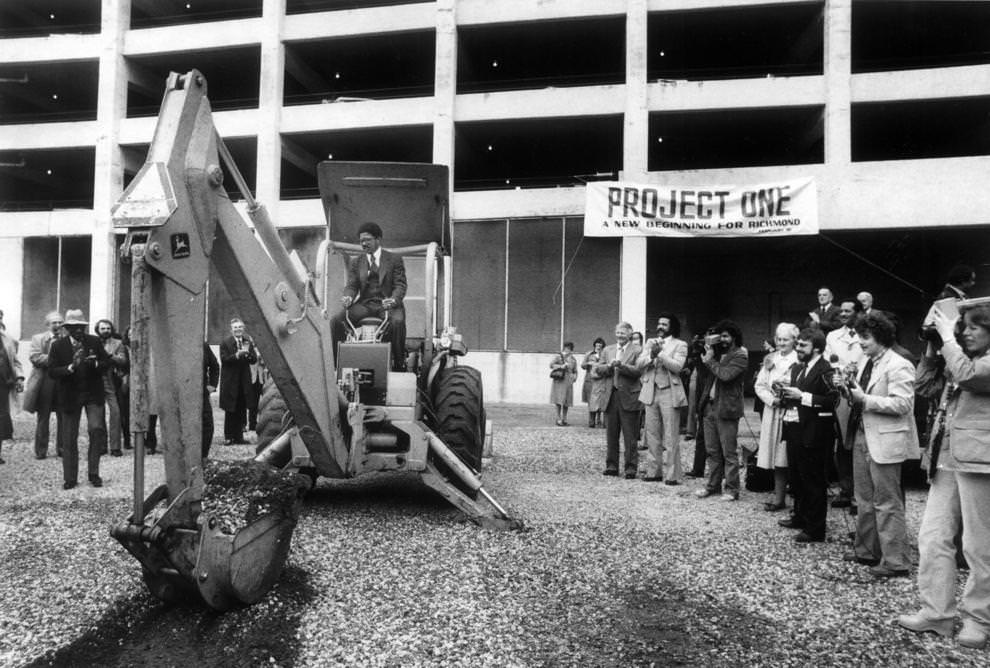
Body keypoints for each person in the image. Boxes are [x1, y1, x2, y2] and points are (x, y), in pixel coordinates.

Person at [898, 301, 990, 648]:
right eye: (962, 326)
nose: (965, 332)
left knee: (979, 545)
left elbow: (971, 377)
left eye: (974, 327)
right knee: (933, 536)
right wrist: (934, 345)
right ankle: (937, 613)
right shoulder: (959, 355)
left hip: (981, 458)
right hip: (948, 454)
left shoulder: (978, 363)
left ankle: (979, 619)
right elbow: (924, 386)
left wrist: (949, 339)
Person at [839, 311, 919, 578]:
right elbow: (860, 397)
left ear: (881, 337)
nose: (861, 342)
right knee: (863, 499)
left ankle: (896, 561)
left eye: (865, 337)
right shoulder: (867, 362)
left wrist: (864, 400)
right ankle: (867, 551)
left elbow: (903, 404)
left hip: (884, 440)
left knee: (886, 502)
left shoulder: (899, 364)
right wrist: (847, 388)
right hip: (863, 435)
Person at [777, 328, 840, 543]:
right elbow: (794, 395)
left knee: (813, 480)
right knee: (797, 477)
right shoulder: (797, 368)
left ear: (817, 348)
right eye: (799, 344)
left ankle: (815, 529)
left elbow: (833, 401)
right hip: (795, 429)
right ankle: (800, 516)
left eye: (803, 345)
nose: (798, 348)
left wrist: (802, 396)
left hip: (816, 434)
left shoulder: (826, 371)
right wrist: (783, 391)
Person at [332, 221, 408, 372]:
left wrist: (393, 300)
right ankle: (335, 364)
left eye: (367, 240)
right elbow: (352, 285)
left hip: (387, 304)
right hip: (365, 304)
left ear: (378, 239)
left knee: (397, 322)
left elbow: (400, 285)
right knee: (336, 321)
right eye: (361, 241)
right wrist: (348, 297)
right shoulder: (356, 262)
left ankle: (399, 364)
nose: (364, 243)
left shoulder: (394, 259)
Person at [48, 309, 110, 489]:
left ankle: (94, 473)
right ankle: (70, 478)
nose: (78, 330)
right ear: (67, 328)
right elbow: (52, 371)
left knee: (96, 429)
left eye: (81, 327)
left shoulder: (94, 341)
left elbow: (106, 364)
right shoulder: (58, 346)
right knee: (69, 437)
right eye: (74, 327)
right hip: (70, 396)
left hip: (92, 394)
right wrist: (69, 368)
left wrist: (96, 364)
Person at [695, 320, 748, 501]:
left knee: (729, 452)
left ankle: (732, 489)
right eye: (720, 336)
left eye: (726, 336)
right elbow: (705, 377)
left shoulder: (740, 355)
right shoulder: (716, 355)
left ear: (734, 337)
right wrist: (705, 356)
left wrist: (710, 361)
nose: (722, 340)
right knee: (712, 451)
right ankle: (713, 486)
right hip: (709, 407)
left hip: (726, 408)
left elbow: (725, 376)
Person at [637, 313, 688, 485]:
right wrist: (651, 355)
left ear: (672, 327)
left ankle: (672, 475)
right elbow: (639, 364)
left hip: (669, 391)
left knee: (671, 435)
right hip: (650, 390)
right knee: (651, 434)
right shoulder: (650, 342)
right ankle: (654, 471)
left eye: (664, 324)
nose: (660, 327)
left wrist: (661, 355)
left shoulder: (680, 344)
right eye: (659, 323)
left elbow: (678, 367)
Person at [754, 323, 800, 511]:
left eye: (786, 339)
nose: (781, 343)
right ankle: (779, 498)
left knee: (791, 457)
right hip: (773, 410)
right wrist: (773, 400)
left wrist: (787, 392)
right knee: (777, 458)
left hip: (793, 411)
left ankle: (798, 500)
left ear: (794, 341)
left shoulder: (799, 359)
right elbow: (760, 385)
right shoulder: (770, 359)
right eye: (779, 339)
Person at [824, 298, 865, 509]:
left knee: (860, 443)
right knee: (843, 443)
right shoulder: (832, 336)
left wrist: (854, 371)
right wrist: (840, 374)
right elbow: (829, 362)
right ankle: (845, 489)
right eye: (842, 311)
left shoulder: (866, 335)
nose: (844, 314)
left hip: (862, 392)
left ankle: (861, 494)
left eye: (848, 311)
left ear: (858, 313)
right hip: (841, 394)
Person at [594, 322, 642, 479]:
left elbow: (638, 371)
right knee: (611, 435)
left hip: (629, 396)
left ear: (630, 334)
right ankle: (612, 466)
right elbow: (597, 369)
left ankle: (630, 468)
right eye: (618, 332)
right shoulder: (608, 350)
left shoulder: (637, 350)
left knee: (630, 436)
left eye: (623, 333)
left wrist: (621, 366)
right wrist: (609, 366)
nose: (620, 335)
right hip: (611, 396)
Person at [22, 311, 64, 459]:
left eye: (60, 322)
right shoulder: (38, 338)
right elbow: (35, 357)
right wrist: (57, 358)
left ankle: (62, 449)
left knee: (63, 415)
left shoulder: (67, 339)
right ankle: (41, 450)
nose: (58, 326)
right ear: (47, 325)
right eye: (54, 323)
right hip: (44, 380)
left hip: (62, 381)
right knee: (43, 416)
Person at [219, 317, 258, 445]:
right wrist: (236, 355)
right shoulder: (225, 342)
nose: (238, 330)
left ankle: (239, 437)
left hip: (243, 381)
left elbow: (253, 360)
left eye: (240, 327)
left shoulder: (247, 342)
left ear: (243, 328)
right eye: (236, 328)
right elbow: (224, 360)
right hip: (230, 381)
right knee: (230, 409)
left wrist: (247, 354)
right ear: (232, 330)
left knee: (241, 408)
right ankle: (228, 437)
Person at [95, 319, 128, 457]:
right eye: (103, 328)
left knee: (115, 412)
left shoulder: (118, 343)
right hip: (95, 379)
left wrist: (109, 356)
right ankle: (101, 445)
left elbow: (123, 360)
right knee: (98, 413)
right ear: (98, 330)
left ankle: (115, 447)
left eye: (108, 328)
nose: (106, 331)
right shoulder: (92, 341)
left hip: (111, 379)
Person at [0, 324, 24, 465]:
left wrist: (19, 377)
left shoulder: (8, 340)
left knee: (1, 416)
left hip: (2, 383)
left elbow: (15, 361)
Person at [581, 338, 607, 428]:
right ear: (594, 345)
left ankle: (599, 419)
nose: (598, 347)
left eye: (600, 345)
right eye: (597, 345)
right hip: (590, 379)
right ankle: (591, 420)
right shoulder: (589, 354)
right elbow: (582, 366)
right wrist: (588, 363)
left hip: (601, 379)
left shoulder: (605, 354)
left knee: (600, 399)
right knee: (591, 400)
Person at [549, 342, 578, 426]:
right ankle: (558, 418)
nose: (568, 350)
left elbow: (575, 370)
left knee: (566, 401)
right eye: (566, 348)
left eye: (569, 348)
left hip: (568, 382)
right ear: (564, 348)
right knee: (558, 400)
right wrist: (560, 366)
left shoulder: (573, 359)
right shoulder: (559, 356)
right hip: (559, 380)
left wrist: (575, 377)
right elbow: (551, 365)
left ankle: (564, 419)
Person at [202, 342, 220, 459]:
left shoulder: (203, 345)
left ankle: (203, 456)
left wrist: (212, 385)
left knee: (207, 424)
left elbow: (215, 366)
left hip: (200, 392)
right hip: (180, 393)